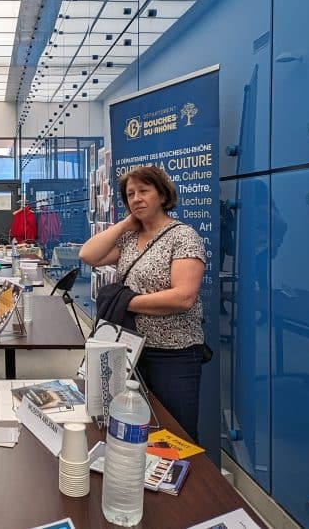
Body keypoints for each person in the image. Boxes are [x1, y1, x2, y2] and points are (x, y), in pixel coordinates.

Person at [79, 165, 206, 440]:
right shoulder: (130, 238)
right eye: (130, 194)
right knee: (133, 427)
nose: (136, 198)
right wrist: (126, 223)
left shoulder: (182, 236)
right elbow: (88, 254)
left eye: (144, 191)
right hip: (131, 350)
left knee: (177, 433)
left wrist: (126, 302)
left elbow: (184, 297)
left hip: (173, 352)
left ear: (162, 194)